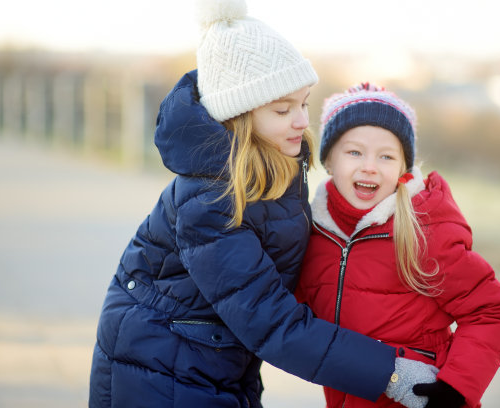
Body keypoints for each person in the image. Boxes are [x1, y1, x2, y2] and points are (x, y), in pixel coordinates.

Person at [88, 1, 440, 407]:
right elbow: (269, 320)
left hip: (211, 359)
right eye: (281, 109)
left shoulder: (273, 168)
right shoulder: (210, 200)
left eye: (304, 104)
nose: (300, 121)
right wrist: (389, 372)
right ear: (239, 115)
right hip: (162, 370)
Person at [295, 83, 500, 408]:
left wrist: (456, 387)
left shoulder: (423, 228)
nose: (370, 165)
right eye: (354, 152)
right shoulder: (312, 232)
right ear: (328, 161)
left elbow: (490, 310)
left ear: (403, 168)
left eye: (386, 156)